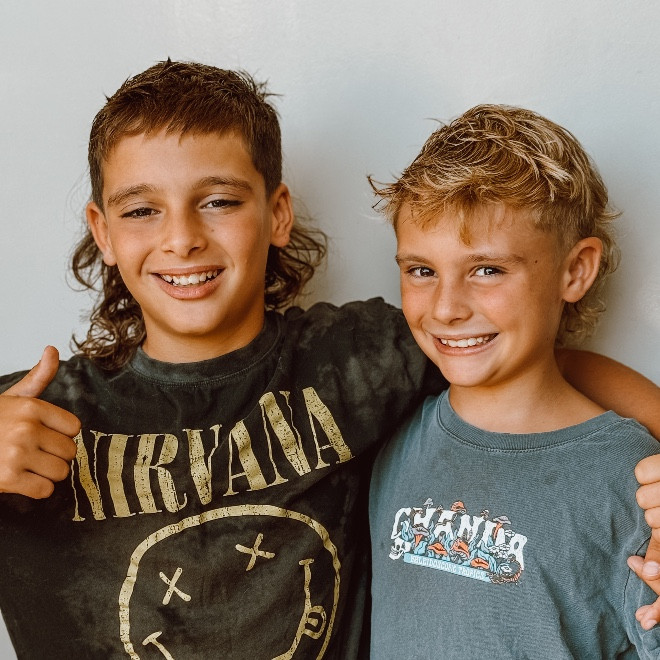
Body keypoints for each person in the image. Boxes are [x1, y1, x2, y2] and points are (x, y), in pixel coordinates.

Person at [0, 62, 657, 658]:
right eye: (142, 210)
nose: (181, 238)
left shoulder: (363, 361)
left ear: (278, 214)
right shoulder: (29, 419)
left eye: (219, 201)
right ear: (103, 232)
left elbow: (535, 365)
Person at [368, 104, 660, 657]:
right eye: (422, 271)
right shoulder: (391, 431)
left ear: (575, 270)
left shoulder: (638, 483)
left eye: (487, 269)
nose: (446, 308)